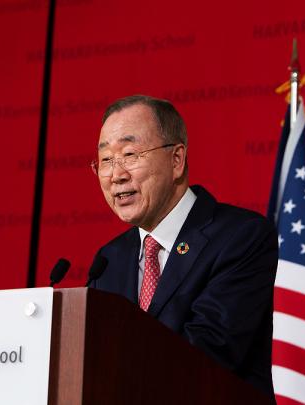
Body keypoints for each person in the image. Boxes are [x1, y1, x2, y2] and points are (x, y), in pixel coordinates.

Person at [89, 95, 278, 397]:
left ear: (176, 160)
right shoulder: (109, 260)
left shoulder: (241, 237)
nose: (116, 174)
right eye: (106, 160)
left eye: (129, 154)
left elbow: (208, 351)